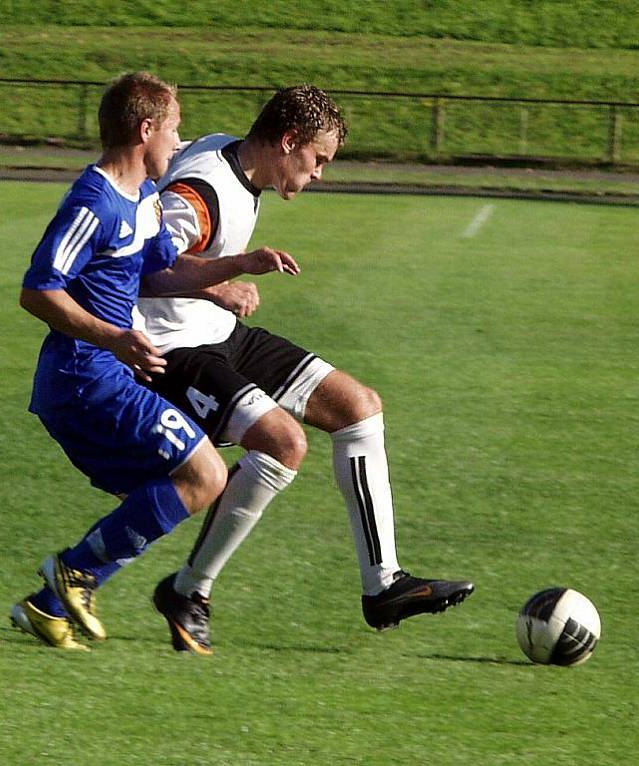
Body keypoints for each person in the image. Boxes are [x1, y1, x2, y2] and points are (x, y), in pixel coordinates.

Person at [136, 84, 475, 656]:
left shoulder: (231, 158)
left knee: (358, 408)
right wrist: (226, 281)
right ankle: (189, 591)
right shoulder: (206, 193)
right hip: (174, 349)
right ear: (288, 140)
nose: (319, 174)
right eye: (318, 159)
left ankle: (384, 586)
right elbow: (147, 265)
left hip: (219, 335)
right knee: (283, 445)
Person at [10, 72, 299, 650]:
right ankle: (74, 574)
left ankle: (47, 606)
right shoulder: (94, 202)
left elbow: (162, 272)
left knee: (176, 488)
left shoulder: (144, 198)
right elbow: (39, 290)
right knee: (205, 474)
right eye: (174, 128)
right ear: (145, 130)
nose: (180, 139)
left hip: (108, 372)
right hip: (82, 376)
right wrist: (112, 337)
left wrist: (234, 268)